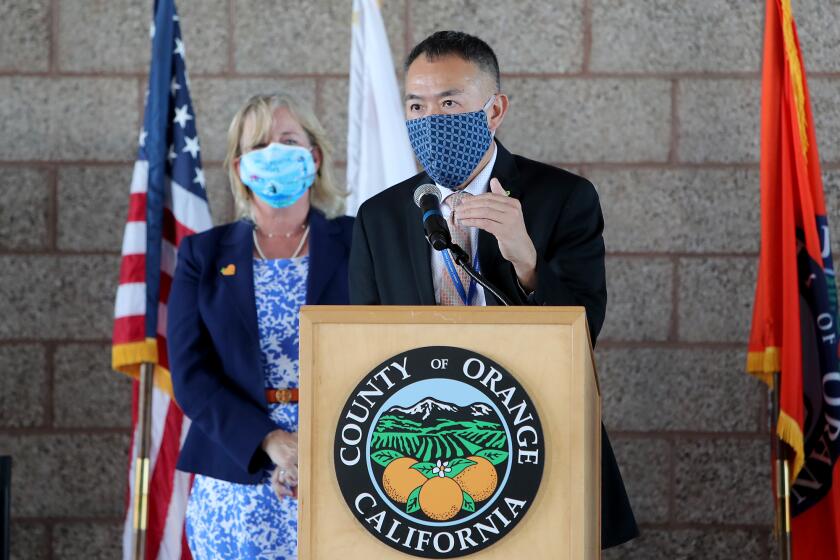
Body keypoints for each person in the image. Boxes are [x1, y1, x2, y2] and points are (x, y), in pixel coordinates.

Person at [349, 31, 638, 548]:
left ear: (495, 109)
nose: (431, 119)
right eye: (416, 105)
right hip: (421, 461)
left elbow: (585, 329)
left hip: (536, 443)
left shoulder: (562, 197)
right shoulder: (380, 217)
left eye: (450, 102)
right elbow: (361, 346)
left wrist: (525, 258)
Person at [167, 93, 353, 559]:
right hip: (237, 467)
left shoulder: (359, 242)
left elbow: (387, 348)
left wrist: (315, 448)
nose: (274, 152)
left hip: (343, 460)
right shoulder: (202, 256)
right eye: (259, 144)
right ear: (239, 166)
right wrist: (271, 442)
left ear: (313, 156)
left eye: (288, 140)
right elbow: (191, 375)